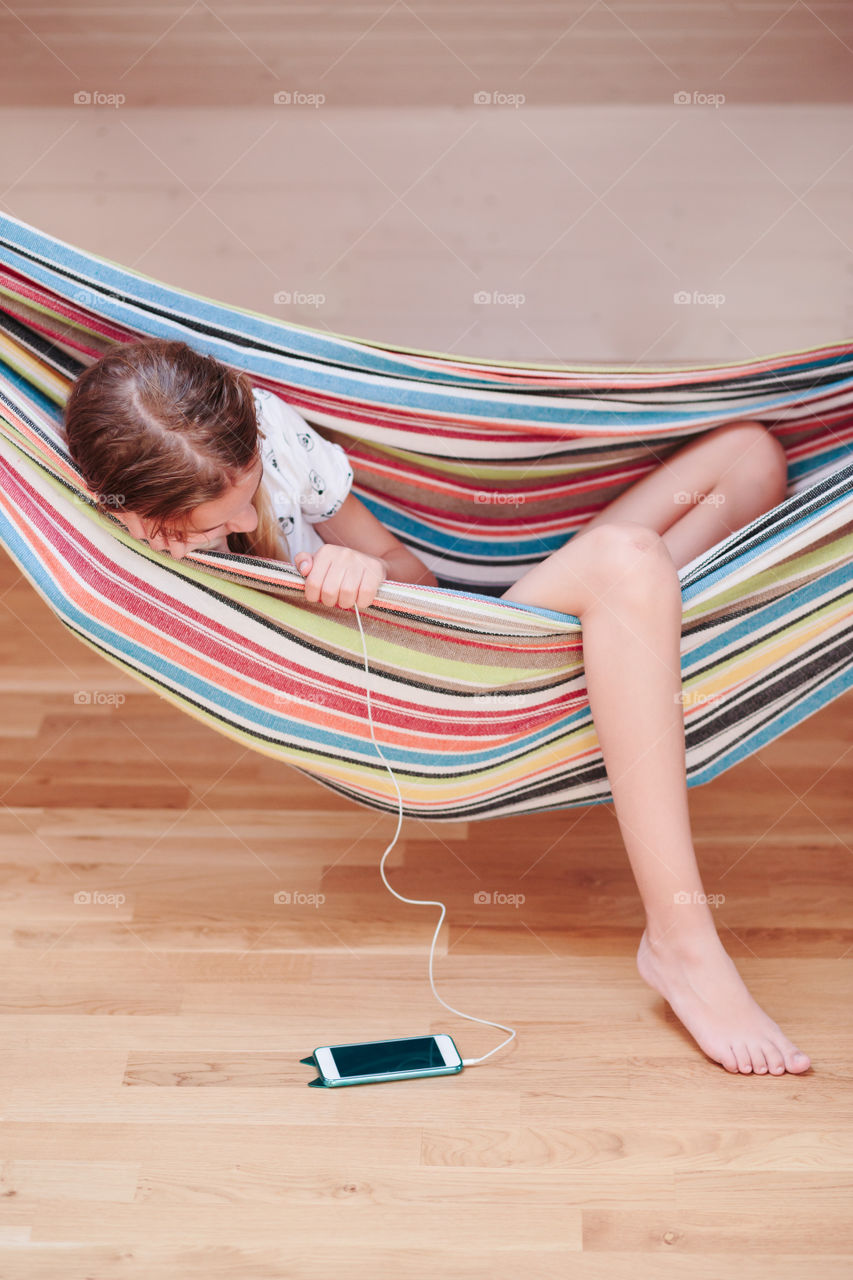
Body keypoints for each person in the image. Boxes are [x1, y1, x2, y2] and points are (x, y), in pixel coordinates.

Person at [63, 337, 810, 1077]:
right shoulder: (117, 520)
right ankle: (680, 943)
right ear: (126, 508)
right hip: (432, 701)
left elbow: (408, 576)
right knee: (627, 560)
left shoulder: (268, 435)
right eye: (207, 529)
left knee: (749, 456)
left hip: (463, 644)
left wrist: (367, 572)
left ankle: (619, 627)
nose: (235, 526)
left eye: (242, 501)